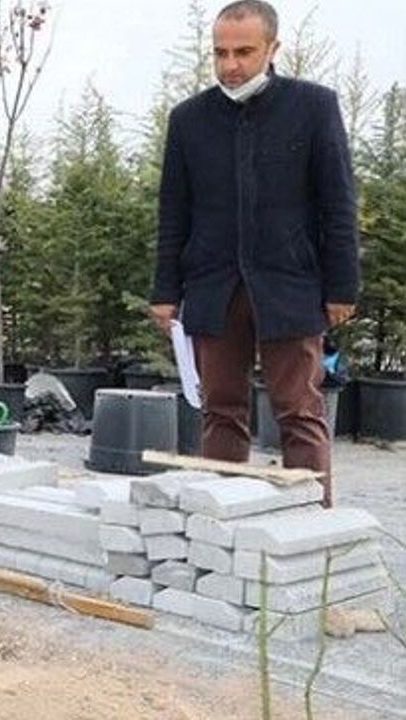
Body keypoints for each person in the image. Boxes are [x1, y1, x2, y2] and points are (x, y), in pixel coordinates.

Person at [149, 0, 358, 507]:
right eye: (220, 52)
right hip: (213, 286)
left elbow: (338, 203)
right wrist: (165, 291)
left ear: (272, 48)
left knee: (299, 411)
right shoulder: (190, 120)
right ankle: (223, 522)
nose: (230, 64)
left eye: (244, 51)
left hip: (290, 283)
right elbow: (174, 210)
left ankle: (311, 522)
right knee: (220, 410)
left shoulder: (313, 107)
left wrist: (342, 286)